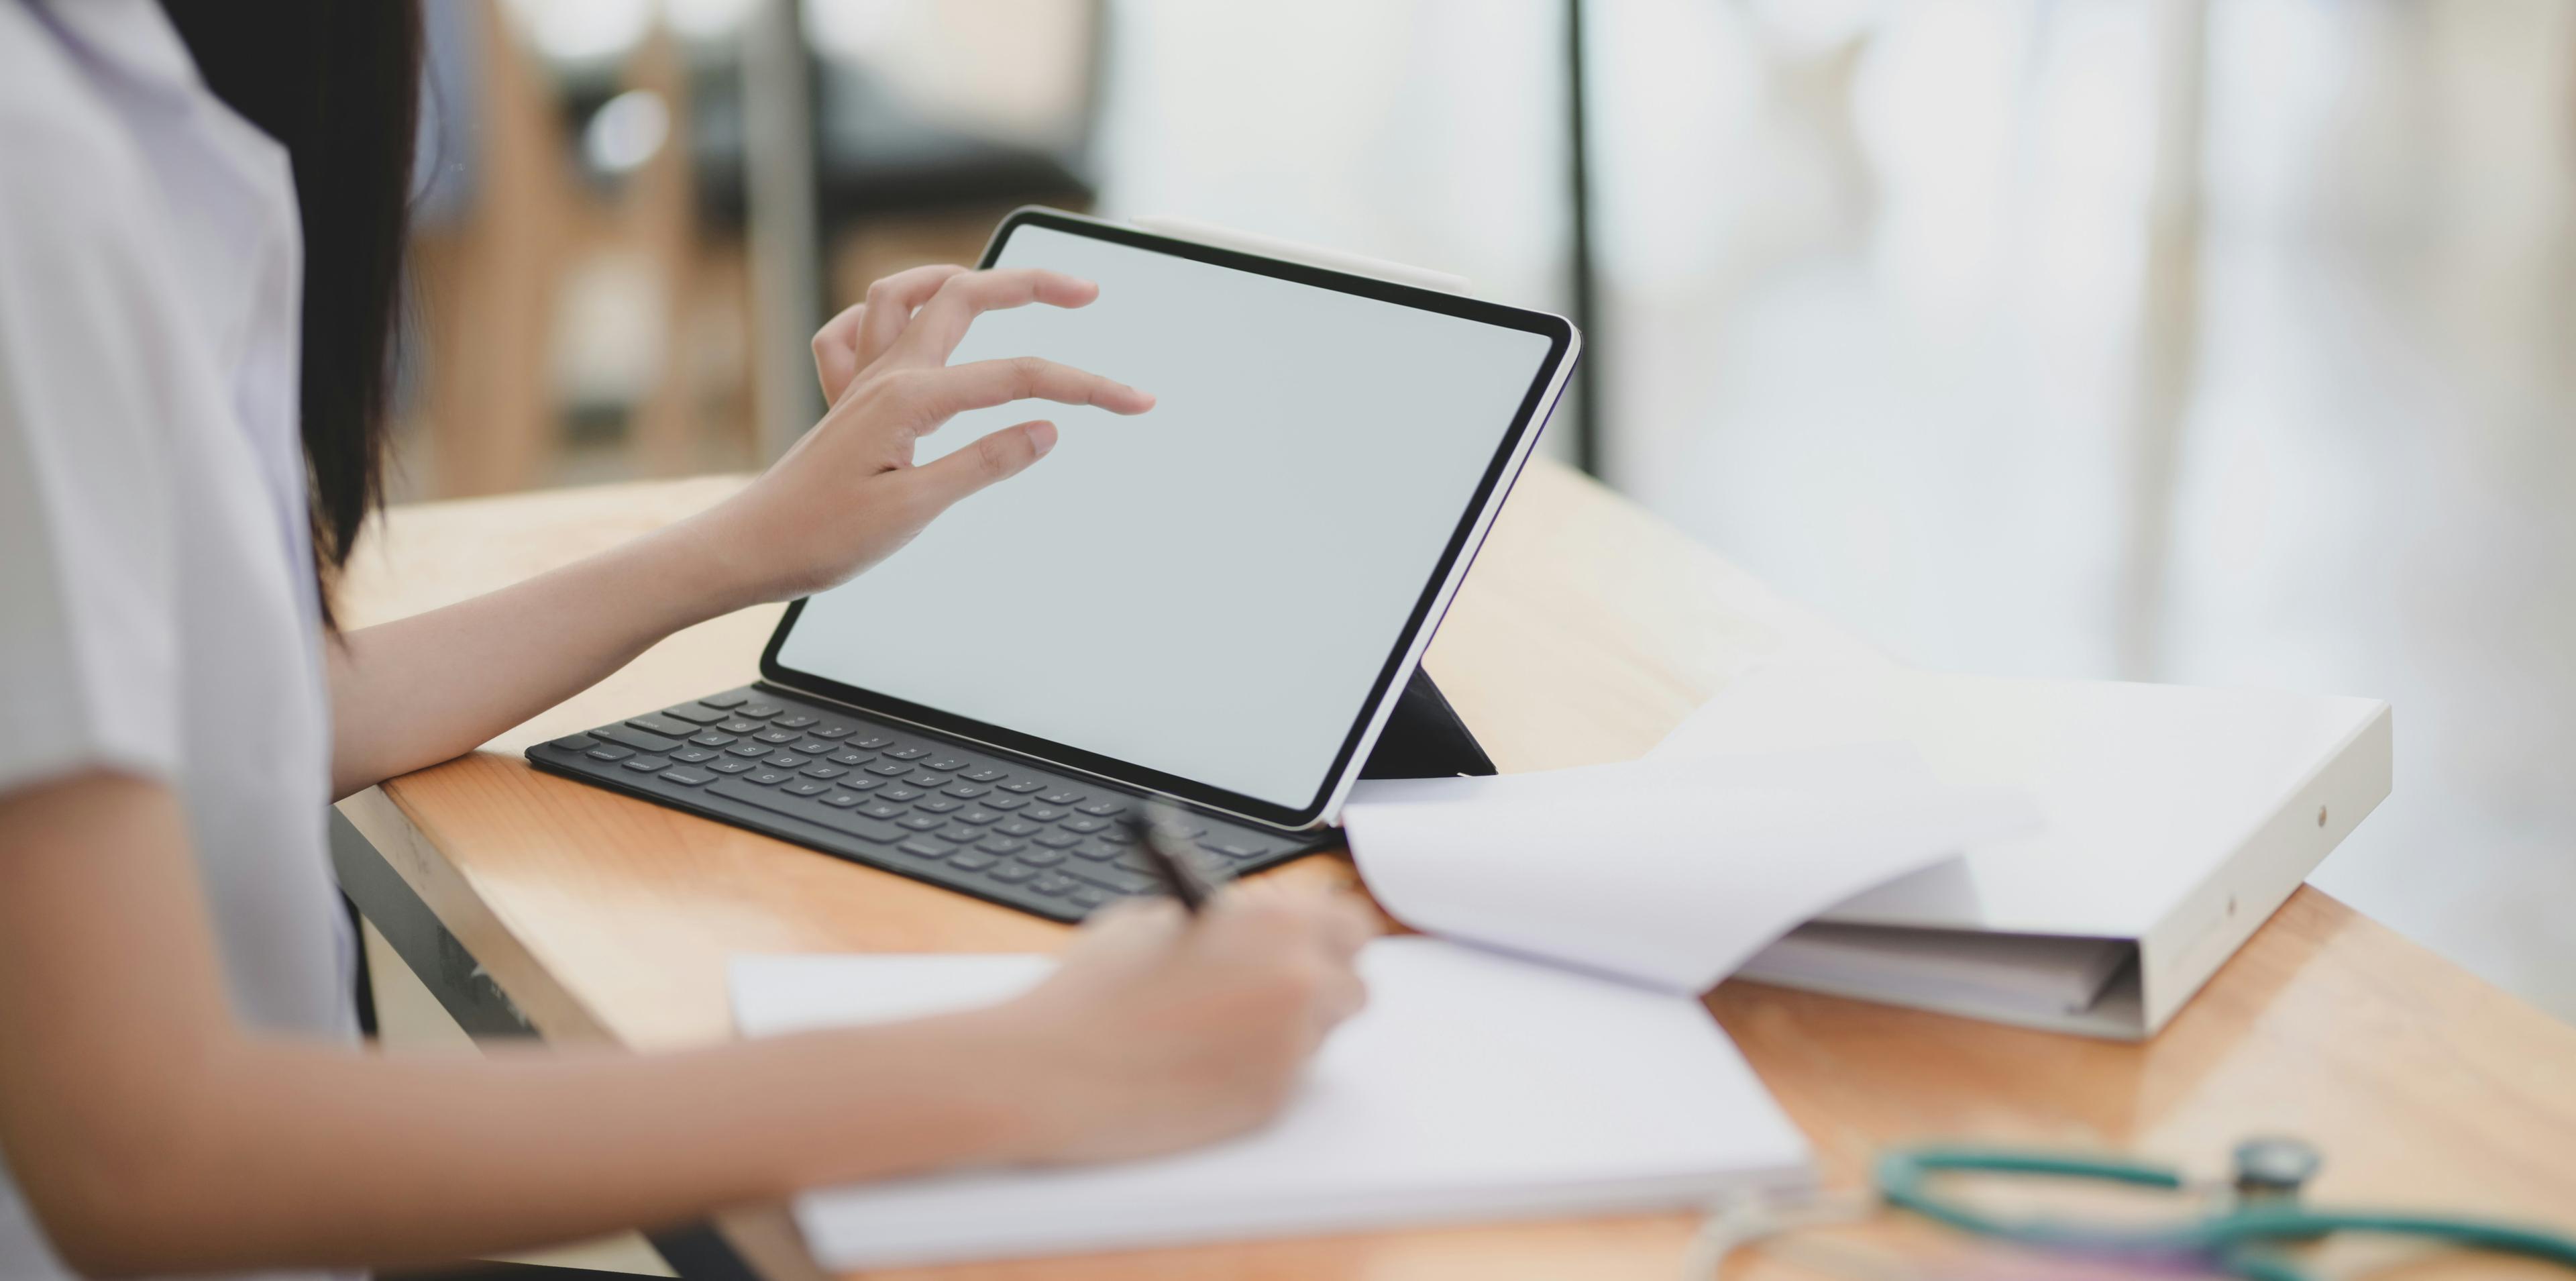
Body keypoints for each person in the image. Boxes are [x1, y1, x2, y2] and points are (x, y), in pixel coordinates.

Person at [0, 3, 1374, 1278]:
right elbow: (148, 1152)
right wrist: (1046, 1058)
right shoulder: (35, 171)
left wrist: (748, 543)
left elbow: (223, 718)